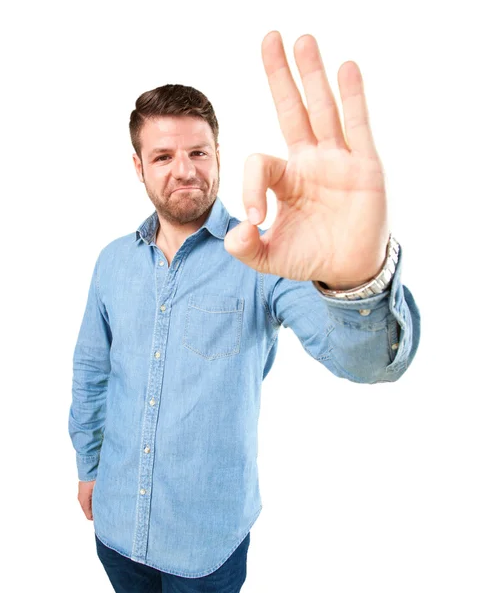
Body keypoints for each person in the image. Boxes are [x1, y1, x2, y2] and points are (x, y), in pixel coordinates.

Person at [68, 31, 421, 593]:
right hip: (115, 527)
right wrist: (89, 467)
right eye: (163, 156)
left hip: (206, 547)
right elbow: (92, 374)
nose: (183, 170)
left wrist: (354, 279)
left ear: (218, 156)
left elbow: (367, 362)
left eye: (198, 152)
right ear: (138, 167)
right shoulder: (112, 262)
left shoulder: (263, 255)